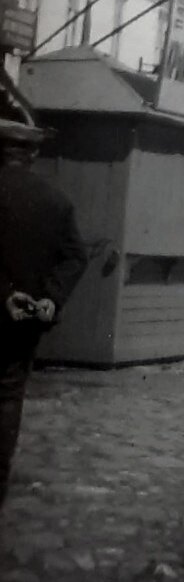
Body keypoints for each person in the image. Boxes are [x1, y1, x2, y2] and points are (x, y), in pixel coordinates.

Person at [0, 118, 88, 507]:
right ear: (32, 154)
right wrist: (51, 297)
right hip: (22, 324)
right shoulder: (56, 201)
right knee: (8, 398)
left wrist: (4, 294)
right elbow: (75, 256)